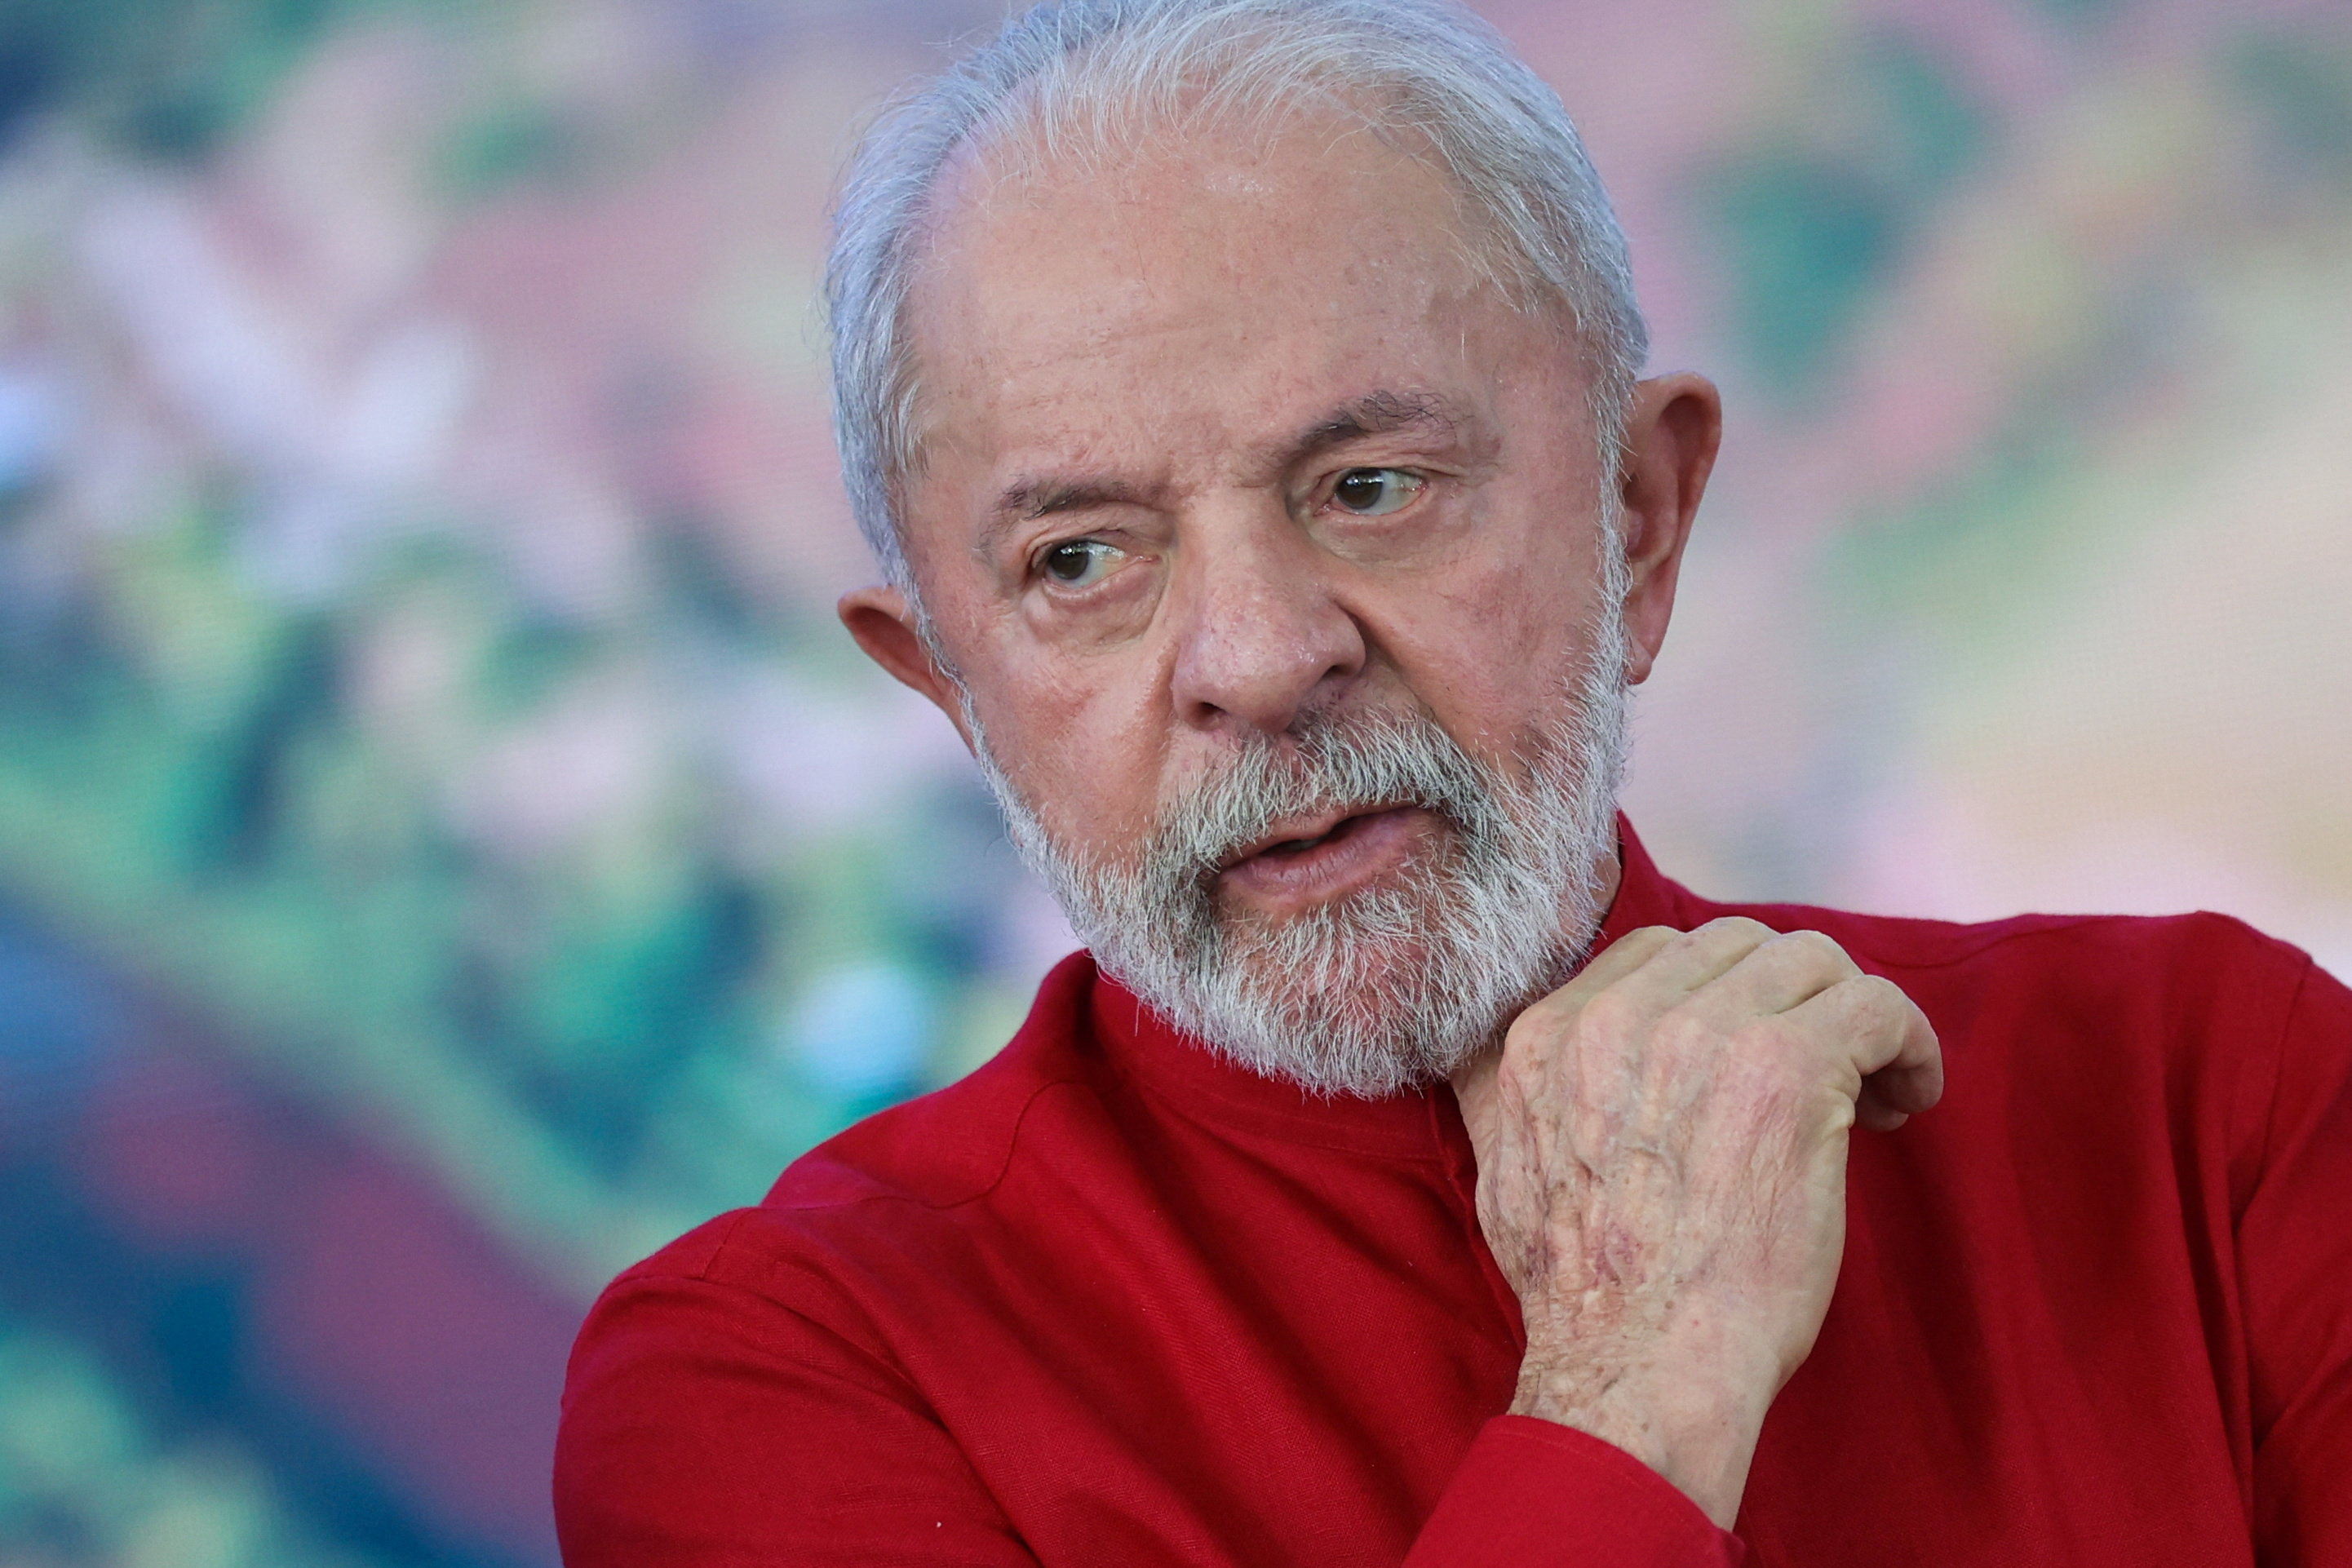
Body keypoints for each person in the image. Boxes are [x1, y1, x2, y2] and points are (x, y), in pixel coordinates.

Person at [551, 2, 2351, 1562]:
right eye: (1081, 562)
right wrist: (1627, 1394)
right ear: (950, 691)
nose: (1259, 657)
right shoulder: (787, 1380)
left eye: (1369, 486)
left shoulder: (2201, 1104)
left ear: (1635, 518)